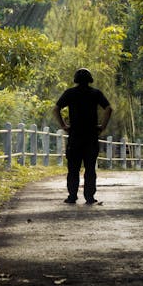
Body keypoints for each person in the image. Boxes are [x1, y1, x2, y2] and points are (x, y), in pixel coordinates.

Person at [53, 68, 113, 204]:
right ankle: (89, 197)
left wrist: (63, 125)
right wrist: (102, 126)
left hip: (75, 135)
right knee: (90, 168)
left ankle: (72, 196)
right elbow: (108, 109)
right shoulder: (96, 93)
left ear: (76, 80)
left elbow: (56, 109)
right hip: (91, 136)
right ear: (90, 80)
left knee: (73, 168)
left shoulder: (70, 93)